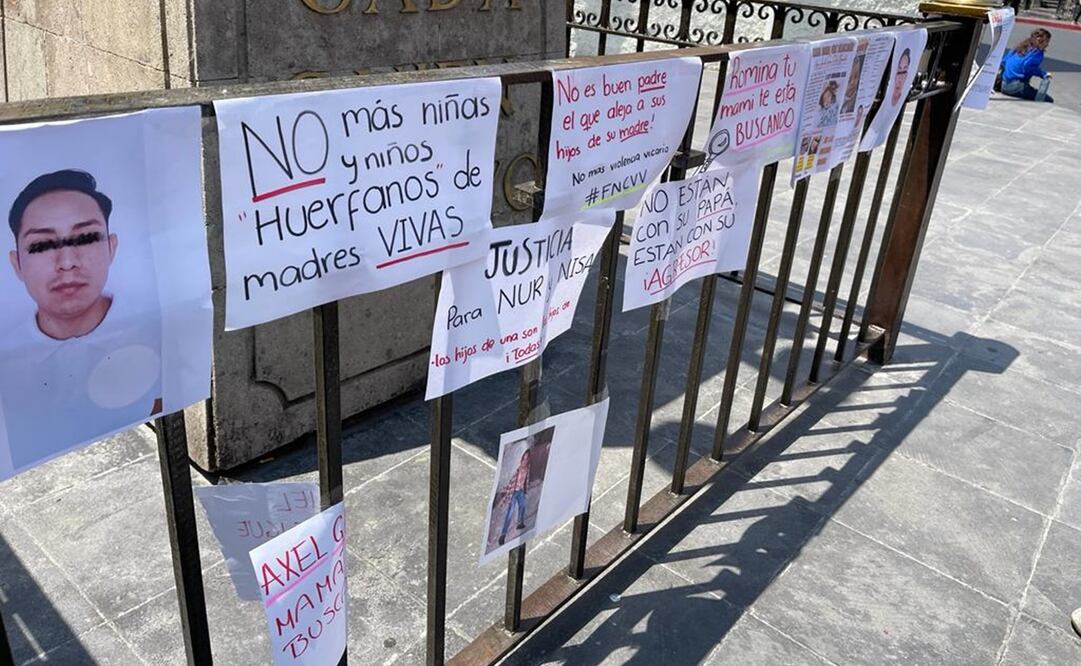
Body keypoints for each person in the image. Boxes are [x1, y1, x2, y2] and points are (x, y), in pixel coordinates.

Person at [2, 169, 162, 470]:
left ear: (111, 247)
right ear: (17, 263)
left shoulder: (161, 333)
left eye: (86, 237)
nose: (67, 263)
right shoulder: (7, 358)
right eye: (41, 245)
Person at [999, 29, 1054, 103]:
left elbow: (1004, 61)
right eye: (1046, 41)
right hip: (1016, 87)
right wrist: (1043, 74)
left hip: (1003, 84)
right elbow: (1028, 67)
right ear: (1039, 40)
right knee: (1047, 99)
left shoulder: (1020, 47)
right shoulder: (1036, 53)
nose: (1047, 45)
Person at [496, 447, 531, 546]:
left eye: (527, 459)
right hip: (514, 492)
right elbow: (510, 481)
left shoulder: (527, 469)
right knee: (510, 513)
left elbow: (526, 480)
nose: (524, 461)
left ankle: (520, 523)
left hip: (521, 491)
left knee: (522, 505)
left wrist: (525, 489)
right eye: (524, 459)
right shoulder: (517, 469)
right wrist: (506, 492)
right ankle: (503, 535)